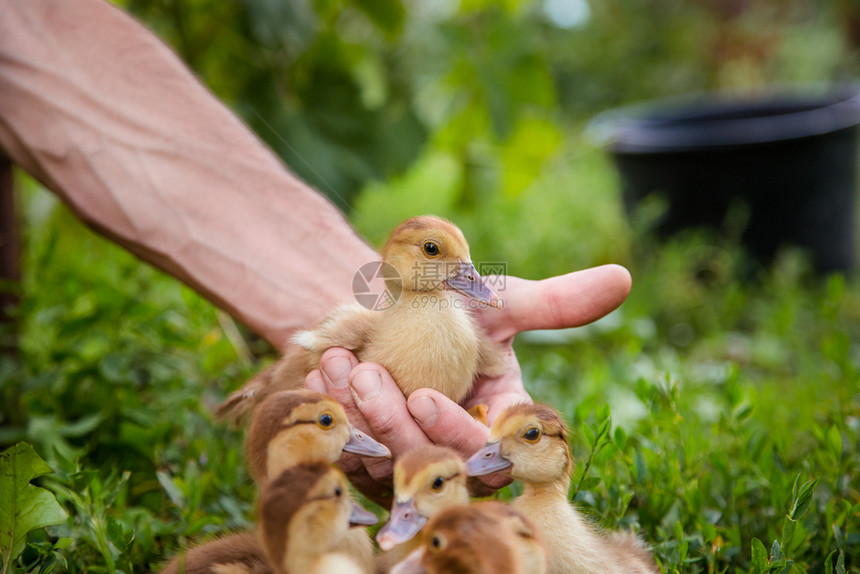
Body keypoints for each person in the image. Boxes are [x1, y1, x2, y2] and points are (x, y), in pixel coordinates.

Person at [0, 0, 632, 501]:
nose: (462, 276)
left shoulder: (456, 323)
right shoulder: (373, 321)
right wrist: (285, 382)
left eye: (460, 261)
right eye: (441, 256)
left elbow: (27, 32)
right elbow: (326, 343)